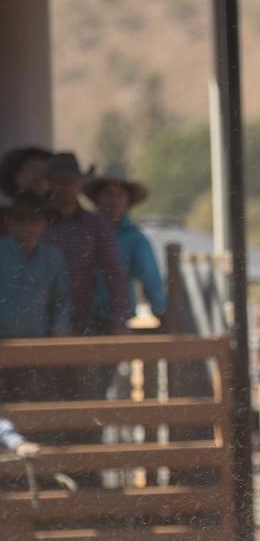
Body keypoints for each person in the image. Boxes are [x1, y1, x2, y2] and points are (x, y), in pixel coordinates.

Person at [42, 152, 129, 336]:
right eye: (61, 181)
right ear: (50, 183)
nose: (67, 187)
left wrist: (118, 318)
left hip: (82, 320)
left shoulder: (95, 226)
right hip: (37, 322)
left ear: (80, 183)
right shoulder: (35, 223)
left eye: (72, 181)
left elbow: (115, 274)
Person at [0, 192, 70, 402]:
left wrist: (59, 329)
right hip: (3, 346)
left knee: (39, 405)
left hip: (38, 347)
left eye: (34, 220)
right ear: (10, 223)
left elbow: (62, 300)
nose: (28, 227)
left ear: (44, 224)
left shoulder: (52, 257)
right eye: (21, 220)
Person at [85, 163, 167, 325]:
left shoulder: (135, 239)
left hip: (118, 321)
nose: (113, 201)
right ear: (98, 198)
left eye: (120, 195)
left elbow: (150, 277)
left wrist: (162, 313)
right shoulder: (84, 231)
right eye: (108, 194)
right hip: (84, 319)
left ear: (128, 202)